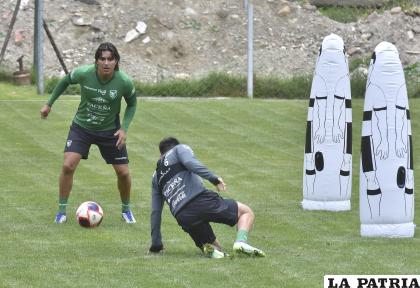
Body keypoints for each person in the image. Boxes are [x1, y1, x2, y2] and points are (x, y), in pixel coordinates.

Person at [39, 42, 138, 224]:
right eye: (102, 59)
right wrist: (49, 104)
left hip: (110, 131)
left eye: (110, 59)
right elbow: (65, 81)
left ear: (116, 62)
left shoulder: (123, 82)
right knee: (68, 165)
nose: (106, 63)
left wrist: (124, 129)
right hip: (82, 128)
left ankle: (126, 210)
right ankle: (61, 212)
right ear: (96, 61)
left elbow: (132, 103)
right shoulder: (84, 73)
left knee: (123, 173)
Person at [149, 137, 265, 258]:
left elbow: (156, 212)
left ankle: (212, 251)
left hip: (183, 216)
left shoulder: (155, 176)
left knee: (215, 248)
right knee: (246, 212)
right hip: (200, 200)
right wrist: (213, 178)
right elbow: (190, 162)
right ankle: (241, 242)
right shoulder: (179, 149)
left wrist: (156, 244)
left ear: (161, 155)